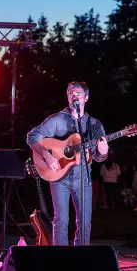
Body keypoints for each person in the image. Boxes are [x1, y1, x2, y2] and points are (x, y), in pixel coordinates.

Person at [27, 81, 108, 246]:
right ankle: (59, 258)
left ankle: (80, 257)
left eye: (78, 93)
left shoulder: (94, 125)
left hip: (83, 178)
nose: (74, 96)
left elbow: (99, 158)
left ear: (86, 97)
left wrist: (104, 151)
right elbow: (32, 136)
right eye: (71, 93)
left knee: (85, 221)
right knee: (61, 219)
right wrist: (46, 155)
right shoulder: (57, 119)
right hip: (59, 177)